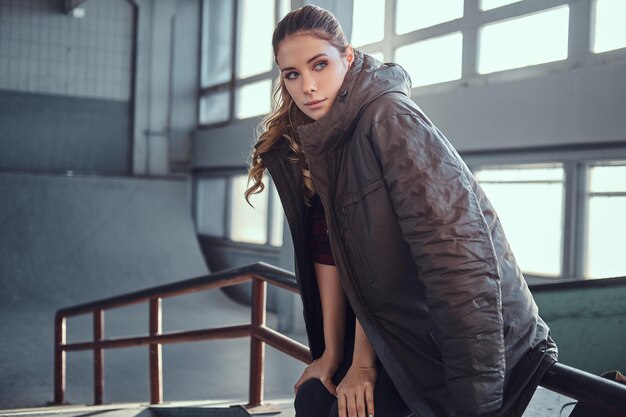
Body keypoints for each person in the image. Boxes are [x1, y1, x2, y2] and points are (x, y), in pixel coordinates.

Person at [246, 5, 557, 417]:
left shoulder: (390, 118)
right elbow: (334, 253)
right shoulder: (321, 138)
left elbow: (457, 262)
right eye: (293, 74)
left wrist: (364, 365)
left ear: (349, 57)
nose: (308, 86)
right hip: (401, 333)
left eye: (320, 64)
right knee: (315, 397)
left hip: (475, 344)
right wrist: (332, 355)